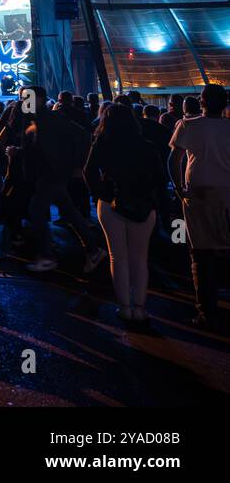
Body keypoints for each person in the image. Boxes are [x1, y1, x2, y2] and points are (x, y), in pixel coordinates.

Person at [87, 103, 165, 323]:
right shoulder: (147, 146)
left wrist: (102, 192)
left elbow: (88, 171)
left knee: (117, 256)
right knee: (140, 257)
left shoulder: (102, 143)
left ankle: (125, 307)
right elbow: (160, 178)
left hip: (111, 202)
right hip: (142, 203)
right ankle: (140, 308)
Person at [20, 87, 106, 274]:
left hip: (51, 174)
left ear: (40, 99)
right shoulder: (39, 119)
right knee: (69, 211)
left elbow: (82, 136)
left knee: (36, 210)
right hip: (52, 173)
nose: (23, 101)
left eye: (27, 98)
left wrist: (75, 165)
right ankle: (93, 249)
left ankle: (47, 256)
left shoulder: (50, 118)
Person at [169, 83, 230, 328]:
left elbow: (173, 159)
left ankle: (206, 311)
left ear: (201, 102)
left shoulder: (187, 126)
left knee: (201, 254)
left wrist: (177, 188)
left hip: (198, 196)